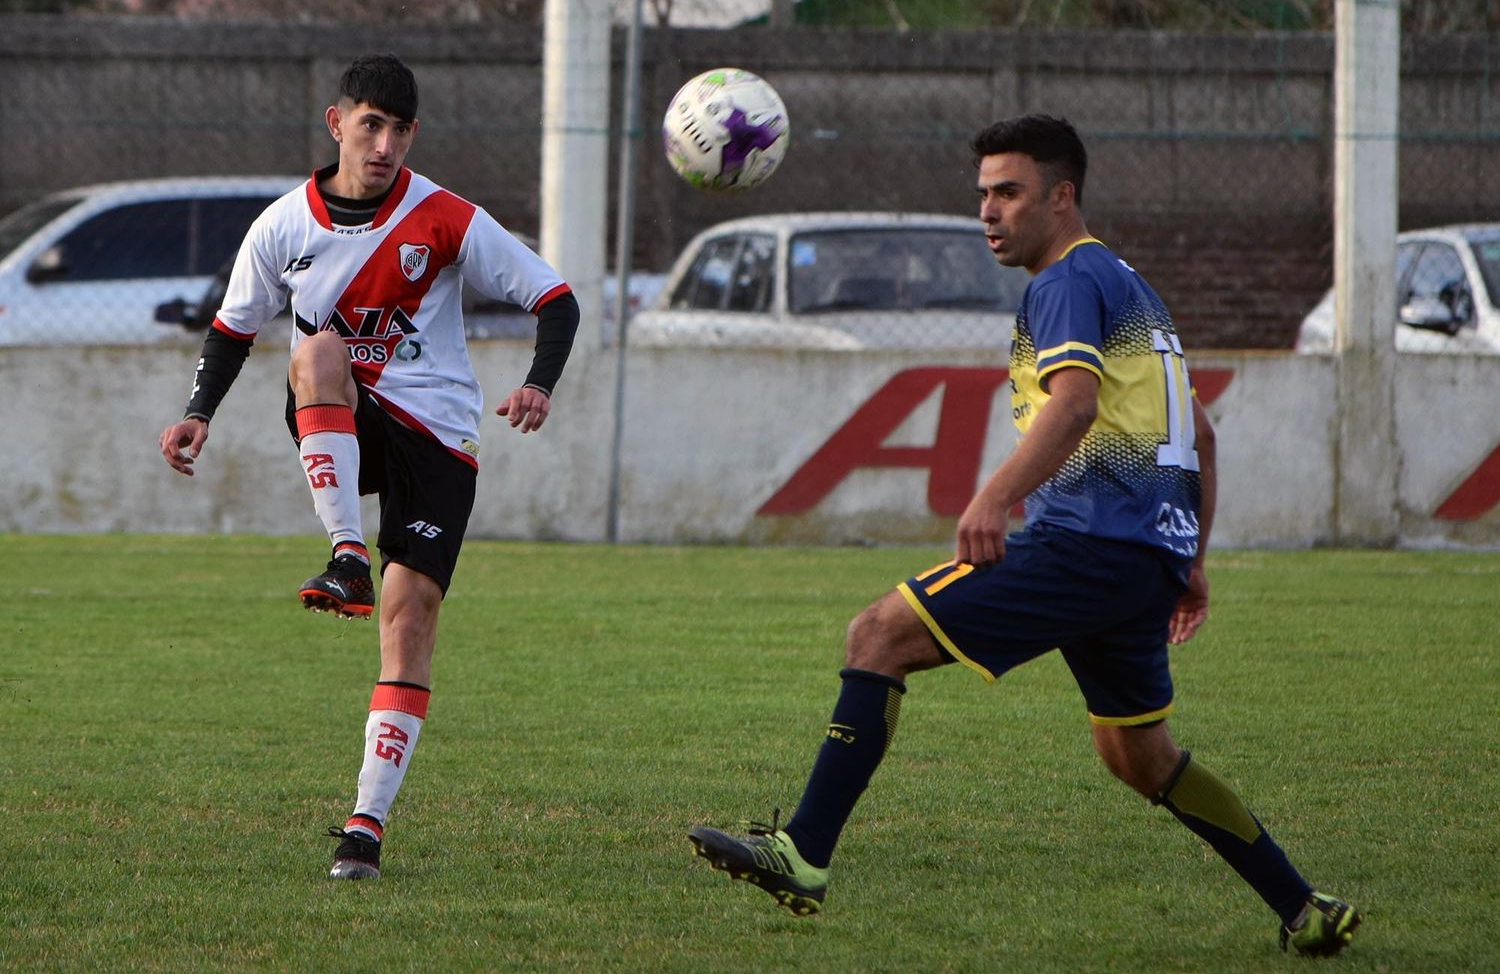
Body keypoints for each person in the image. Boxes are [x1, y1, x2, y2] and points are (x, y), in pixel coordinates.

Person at [687, 114, 1360, 956]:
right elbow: (1202, 435)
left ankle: (804, 853)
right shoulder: (1128, 284)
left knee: (878, 634)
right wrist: (1188, 561)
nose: (988, 212)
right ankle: (1305, 907)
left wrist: (994, 498)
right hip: (1140, 560)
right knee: (1139, 758)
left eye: (1008, 192)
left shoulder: (1067, 281)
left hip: (1087, 544)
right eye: (982, 195)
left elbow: (1075, 403)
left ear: (1062, 195)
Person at [157, 53, 581, 880]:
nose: (383, 144)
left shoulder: (448, 218)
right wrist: (197, 413)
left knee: (410, 619)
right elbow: (234, 327)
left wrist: (537, 383)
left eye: (399, 129)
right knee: (316, 349)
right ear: (336, 123)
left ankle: (365, 828)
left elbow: (554, 299)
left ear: (413, 133)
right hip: (344, 411)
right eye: (369, 125)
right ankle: (348, 553)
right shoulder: (283, 225)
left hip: (441, 436)